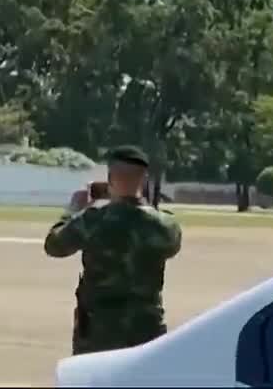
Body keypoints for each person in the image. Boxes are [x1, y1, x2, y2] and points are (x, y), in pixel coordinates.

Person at [44, 145, 182, 356]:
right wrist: (142, 203)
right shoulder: (165, 226)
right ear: (144, 180)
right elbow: (171, 246)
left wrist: (72, 210)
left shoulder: (91, 221)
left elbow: (54, 246)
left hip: (98, 331)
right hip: (146, 328)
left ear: (110, 179)